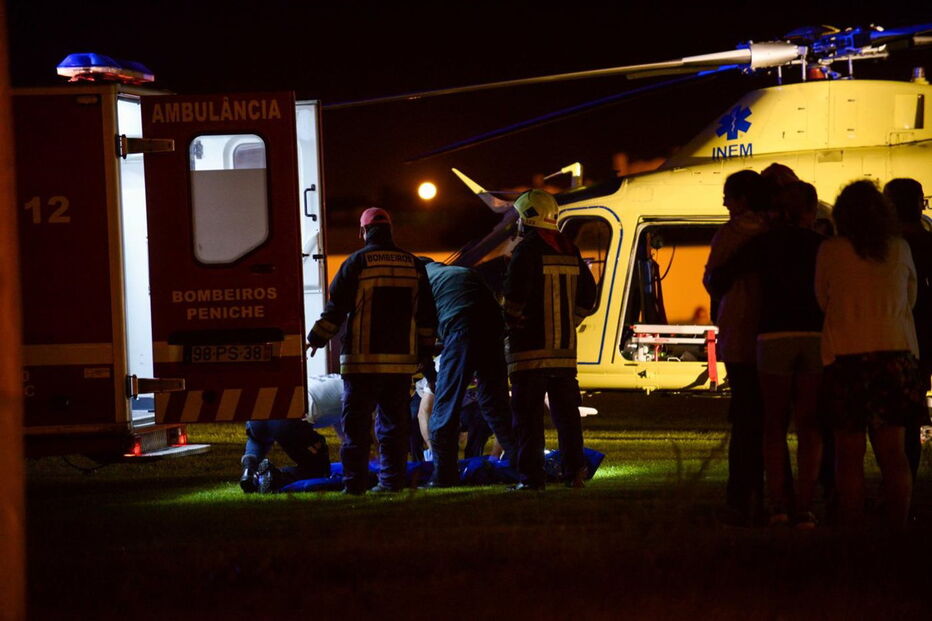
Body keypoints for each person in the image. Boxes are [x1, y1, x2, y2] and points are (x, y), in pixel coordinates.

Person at [709, 181, 825, 528]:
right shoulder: (823, 246)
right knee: (810, 426)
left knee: (772, 426)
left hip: (772, 334)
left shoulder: (763, 244)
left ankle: (777, 504)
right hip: (815, 335)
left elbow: (719, 277)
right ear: (810, 211)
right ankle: (805, 505)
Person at [816, 180, 927, 529]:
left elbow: (822, 299)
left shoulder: (830, 251)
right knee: (893, 451)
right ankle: (897, 523)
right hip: (894, 354)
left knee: (848, 452)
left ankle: (852, 523)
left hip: (846, 356)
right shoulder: (899, 249)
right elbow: (911, 299)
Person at [307, 207, 437, 494]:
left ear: (363, 232)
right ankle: (391, 483)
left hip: (360, 363)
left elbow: (335, 309)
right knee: (393, 426)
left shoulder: (356, 263)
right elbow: (427, 316)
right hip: (399, 365)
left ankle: (354, 484)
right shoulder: (413, 264)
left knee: (356, 427)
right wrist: (425, 354)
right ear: (390, 230)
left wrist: (316, 339)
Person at [504, 189, 597, 490]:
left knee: (528, 419)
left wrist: (511, 320)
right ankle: (575, 473)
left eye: (518, 217)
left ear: (527, 217)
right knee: (567, 416)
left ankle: (531, 479)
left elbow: (514, 297)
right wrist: (572, 321)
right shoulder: (570, 248)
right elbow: (589, 296)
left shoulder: (527, 249)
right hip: (564, 353)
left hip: (529, 352)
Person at [703, 169, 770, 525]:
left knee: (744, 419)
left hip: (738, 336)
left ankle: (741, 490)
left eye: (729, 196)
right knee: (771, 421)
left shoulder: (729, 235)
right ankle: (772, 490)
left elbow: (712, 279)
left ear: (743, 199)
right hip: (771, 335)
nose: (725, 203)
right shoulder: (777, 233)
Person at [417, 258, 517, 487]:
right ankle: (523, 468)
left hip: (462, 327)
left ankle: (444, 476)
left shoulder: (420, 282)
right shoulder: (460, 272)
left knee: (444, 407)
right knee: (495, 404)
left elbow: (423, 337)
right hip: (494, 328)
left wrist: (433, 380)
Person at [884, 178, 932, 484]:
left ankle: (902, 482)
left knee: (898, 416)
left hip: (897, 335)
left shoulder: (888, 248)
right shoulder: (927, 243)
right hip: (925, 333)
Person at [238, 374, 345, 493]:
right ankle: (276, 477)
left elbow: (343, 428)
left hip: (263, 405)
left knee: (258, 440)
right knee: (319, 469)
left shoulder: (336, 381)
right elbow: (351, 435)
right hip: (289, 416)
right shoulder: (353, 392)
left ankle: (249, 471)